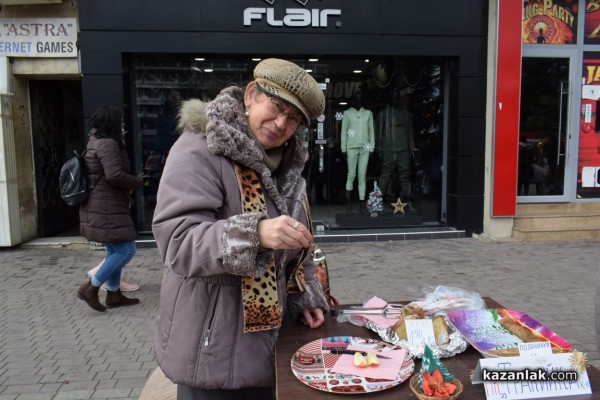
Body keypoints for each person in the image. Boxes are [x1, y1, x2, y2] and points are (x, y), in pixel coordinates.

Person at [151, 58, 329, 400]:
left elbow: (296, 245)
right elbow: (177, 241)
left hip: (271, 350)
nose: (280, 124)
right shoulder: (200, 148)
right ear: (250, 95)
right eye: (275, 107)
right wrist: (255, 234)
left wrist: (303, 296)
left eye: (293, 119)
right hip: (210, 352)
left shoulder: (289, 167)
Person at [76, 105, 143, 312]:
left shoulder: (95, 141)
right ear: (111, 123)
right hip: (107, 204)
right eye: (120, 121)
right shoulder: (107, 144)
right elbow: (114, 175)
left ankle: (113, 294)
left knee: (114, 248)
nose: (122, 124)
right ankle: (91, 287)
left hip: (103, 203)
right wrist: (138, 182)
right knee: (126, 249)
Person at [377, 88, 414, 201]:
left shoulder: (406, 115)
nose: (395, 99)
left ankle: (406, 200)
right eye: (393, 96)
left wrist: (412, 148)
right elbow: (379, 134)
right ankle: (377, 201)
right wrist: (379, 149)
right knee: (385, 174)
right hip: (388, 148)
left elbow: (409, 133)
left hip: (403, 148)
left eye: (397, 97)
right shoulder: (382, 115)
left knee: (405, 174)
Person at [340, 92, 375, 212]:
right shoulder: (347, 113)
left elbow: (371, 131)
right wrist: (343, 148)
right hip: (351, 147)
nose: (359, 101)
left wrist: (371, 148)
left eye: (360, 98)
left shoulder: (368, 113)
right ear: (353, 100)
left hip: (365, 148)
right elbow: (343, 132)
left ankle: (361, 201)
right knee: (351, 174)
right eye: (357, 99)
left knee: (362, 175)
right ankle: (348, 200)